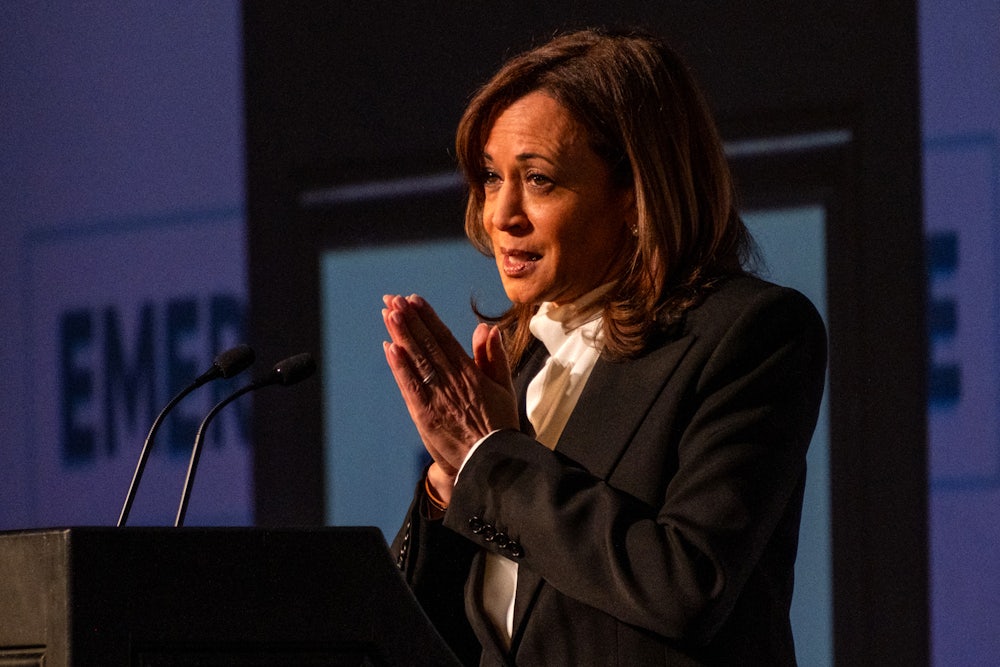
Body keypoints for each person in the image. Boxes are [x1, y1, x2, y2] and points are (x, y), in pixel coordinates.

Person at [380, 27, 826, 666]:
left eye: (538, 179)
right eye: (489, 177)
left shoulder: (750, 334)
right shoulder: (520, 357)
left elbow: (688, 585)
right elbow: (425, 637)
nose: (500, 213)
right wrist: (450, 489)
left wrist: (495, 462)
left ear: (635, 195)